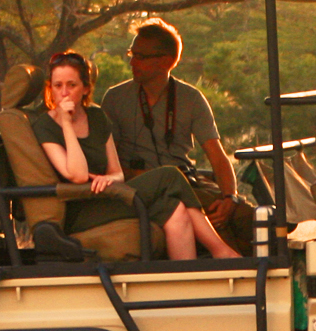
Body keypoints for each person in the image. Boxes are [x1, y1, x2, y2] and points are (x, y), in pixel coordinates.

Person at [32, 50, 239, 260]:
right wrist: (66, 123)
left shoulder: (96, 116)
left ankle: (184, 281)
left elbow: (117, 173)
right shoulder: (45, 126)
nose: (64, 93)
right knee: (170, 175)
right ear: (51, 89)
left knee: (174, 208)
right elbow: (77, 175)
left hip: (108, 196)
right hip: (79, 209)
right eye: (58, 86)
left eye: (72, 85)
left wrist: (107, 180)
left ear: (85, 88)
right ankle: (221, 251)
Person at [99, 19, 240, 232]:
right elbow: (109, 162)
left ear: (166, 61)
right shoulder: (115, 98)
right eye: (132, 54)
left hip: (185, 182)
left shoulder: (191, 98)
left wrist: (230, 197)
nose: (132, 63)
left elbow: (216, 154)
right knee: (210, 215)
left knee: (243, 215)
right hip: (139, 187)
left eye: (140, 57)